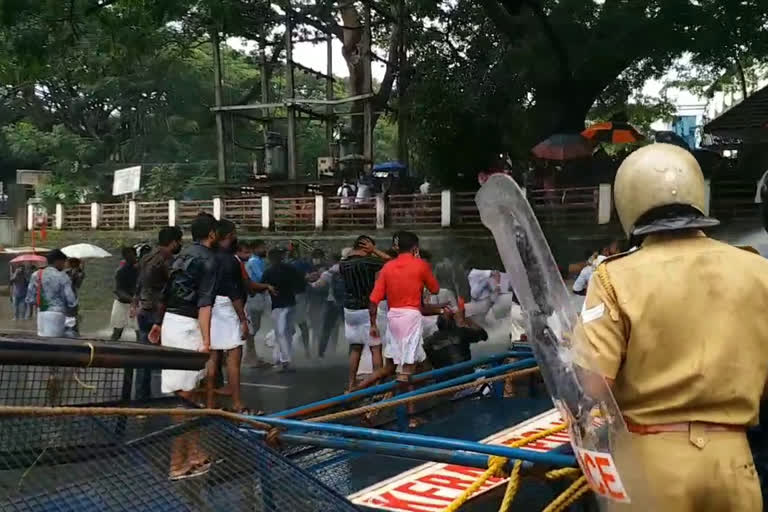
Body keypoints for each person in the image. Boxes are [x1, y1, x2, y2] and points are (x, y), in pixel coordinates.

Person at [575, 143, 768, 511]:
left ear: (628, 202)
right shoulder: (758, 271)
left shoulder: (614, 277)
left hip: (653, 464)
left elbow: (594, 383)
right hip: (734, 461)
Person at [150, 214, 218, 481]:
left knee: (189, 396)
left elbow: (166, 292)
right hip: (187, 326)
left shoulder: (181, 256)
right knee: (184, 398)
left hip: (171, 323)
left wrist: (158, 323)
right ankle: (177, 462)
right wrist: (207, 342)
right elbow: (204, 305)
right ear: (212, 234)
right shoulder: (208, 260)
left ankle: (193, 452)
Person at [209, 220, 272, 413]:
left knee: (212, 358)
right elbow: (235, 291)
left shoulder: (208, 257)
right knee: (233, 358)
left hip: (208, 308)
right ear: (229, 235)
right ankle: (237, 403)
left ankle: (210, 403)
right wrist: (243, 320)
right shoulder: (231, 261)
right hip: (228, 308)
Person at [369, 231, 439, 384]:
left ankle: (355, 390)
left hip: (393, 317)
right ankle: (404, 404)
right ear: (415, 247)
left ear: (396, 247)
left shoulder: (387, 267)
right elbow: (435, 289)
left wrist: (373, 324)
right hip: (411, 317)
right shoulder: (421, 265)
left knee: (396, 365)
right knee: (407, 369)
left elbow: (374, 299)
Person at [134, 226, 183, 401]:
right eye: (180, 241)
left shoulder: (146, 258)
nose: (181, 244)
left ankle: (142, 397)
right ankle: (175, 395)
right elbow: (171, 287)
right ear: (173, 242)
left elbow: (139, 284)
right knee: (170, 355)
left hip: (144, 310)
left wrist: (136, 303)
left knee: (144, 357)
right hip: (159, 313)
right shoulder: (167, 260)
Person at [338, 235, 392, 391]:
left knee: (356, 348)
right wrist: (375, 250)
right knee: (375, 347)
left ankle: (351, 383)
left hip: (349, 310)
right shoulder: (368, 261)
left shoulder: (343, 263)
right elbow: (392, 262)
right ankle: (377, 385)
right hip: (366, 310)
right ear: (365, 246)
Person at [261, 247, 306, 372]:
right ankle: (283, 358)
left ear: (270, 258)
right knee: (287, 332)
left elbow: (262, 287)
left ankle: (284, 360)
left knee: (280, 333)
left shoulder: (269, 272)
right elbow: (301, 285)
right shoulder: (291, 269)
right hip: (291, 303)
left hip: (278, 305)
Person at [25, 249, 78, 337]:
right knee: (55, 344)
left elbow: (30, 299)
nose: (64, 265)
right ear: (57, 261)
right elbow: (71, 301)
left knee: (43, 344)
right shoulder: (63, 276)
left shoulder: (36, 274)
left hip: (41, 314)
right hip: (58, 315)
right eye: (63, 262)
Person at [423, 307, 487, 370]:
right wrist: (467, 320)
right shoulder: (462, 332)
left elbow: (426, 365)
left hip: (445, 379)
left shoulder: (427, 342)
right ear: (453, 323)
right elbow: (484, 336)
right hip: (467, 376)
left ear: (437, 324)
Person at [309, 253, 345, 358]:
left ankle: (321, 352)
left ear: (333, 260)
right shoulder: (349, 270)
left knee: (327, 328)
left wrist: (308, 283)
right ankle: (353, 351)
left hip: (332, 303)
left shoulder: (329, 272)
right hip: (346, 302)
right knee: (349, 328)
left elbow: (318, 285)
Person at [244, 239, 270, 367]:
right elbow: (261, 277)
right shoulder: (254, 261)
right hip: (254, 296)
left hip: (258, 296)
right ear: (254, 249)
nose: (264, 250)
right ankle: (250, 356)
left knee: (256, 327)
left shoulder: (258, 261)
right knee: (253, 327)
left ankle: (251, 355)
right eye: (262, 247)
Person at [110, 246, 140, 341]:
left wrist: (135, 299)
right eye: (128, 256)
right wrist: (131, 299)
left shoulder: (140, 270)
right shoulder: (121, 271)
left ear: (136, 255)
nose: (131, 258)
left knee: (140, 332)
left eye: (132, 256)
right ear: (124, 257)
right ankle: (110, 351)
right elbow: (118, 290)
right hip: (122, 303)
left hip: (136, 304)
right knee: (117, 332)